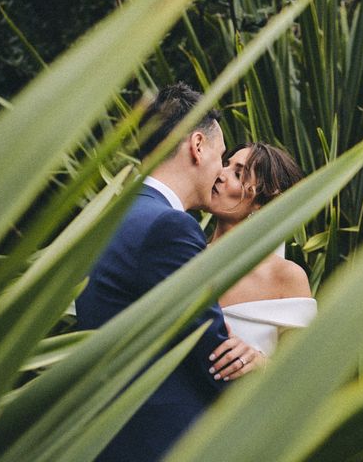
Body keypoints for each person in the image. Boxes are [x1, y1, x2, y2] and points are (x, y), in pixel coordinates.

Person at [75, 83, 262, 462]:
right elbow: (213, 356)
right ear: (197, 146)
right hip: (164, 444)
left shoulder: (111, 217)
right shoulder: (168, 228)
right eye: (220, 155)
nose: (220, 171)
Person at [206, 142, 317, 361]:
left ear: (263, 202)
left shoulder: (286, 277)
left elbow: (304, 372)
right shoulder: (187, 256)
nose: (220, 173)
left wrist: (259, 364)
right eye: (226, 164)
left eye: (238, 174)